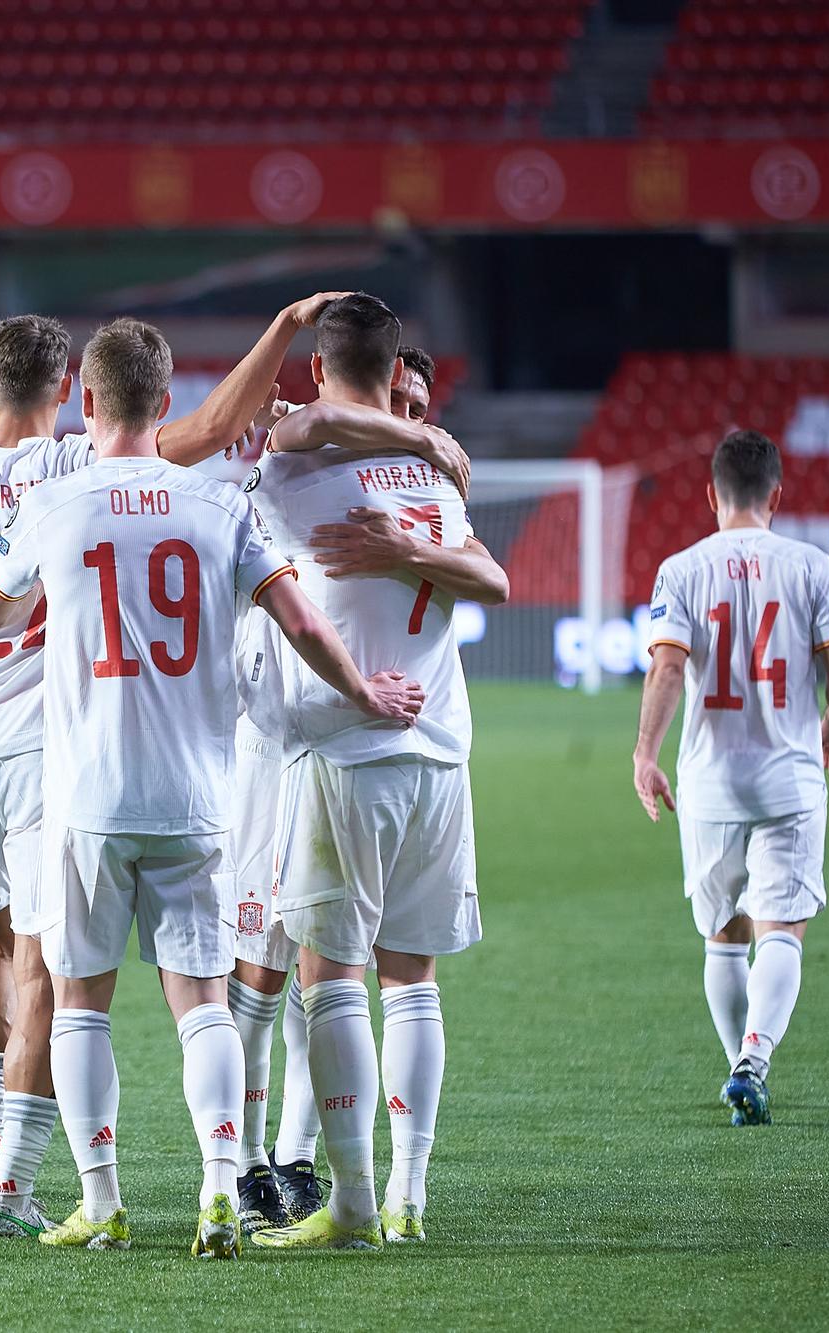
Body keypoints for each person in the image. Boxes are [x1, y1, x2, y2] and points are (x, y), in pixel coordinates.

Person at [0, 317, 423, 1257]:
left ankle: (102, 1199)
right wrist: (366, 689)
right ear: (165, 400)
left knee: (81, 1001)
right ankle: (220, 1187)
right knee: (204, 1004)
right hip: (196, 798)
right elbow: (302, 622)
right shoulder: (219, 506)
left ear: (87, 401)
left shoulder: (54, 502)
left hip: (89, 796)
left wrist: (45, 603)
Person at [239, 297, 506, 1253]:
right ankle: (408, 1193)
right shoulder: (435, 474)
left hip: (347, 744)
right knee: (414, 980)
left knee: (330, 976)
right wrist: (420, 465)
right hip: (440, 750)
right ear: (398, 375)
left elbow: (296, 427)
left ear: (318, 369)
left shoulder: (292, 468)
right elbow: (490, 576)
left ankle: (349, 1198)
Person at [632, 428, 829, 1127]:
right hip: (790, 779)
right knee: (781, 928)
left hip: (709, 784)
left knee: (724, 935)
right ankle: (753, 1062)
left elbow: (668, 668)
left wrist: (645, 753)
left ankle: (740, 1065)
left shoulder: (680, 569)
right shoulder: (812, 566)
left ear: (711, 495)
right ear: (776, 496)